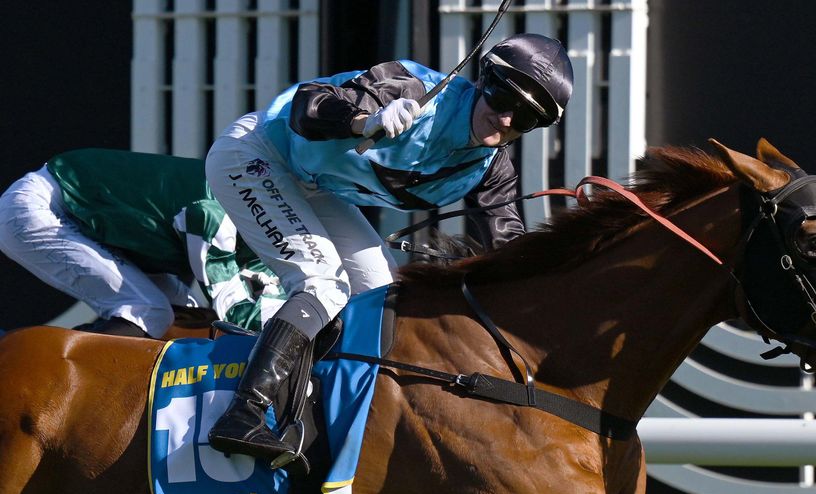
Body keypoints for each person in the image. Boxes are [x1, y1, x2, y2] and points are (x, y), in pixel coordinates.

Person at [204, 33, 573, 463]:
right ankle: (243, 414)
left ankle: (315, 409)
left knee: (380, 296)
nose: (506, 120)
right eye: (502, 97)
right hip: (256, 153)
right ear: (483, 79)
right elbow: (308, 104)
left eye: (526, 118)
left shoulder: (492, 169)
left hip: (314, 186)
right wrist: (363, 121)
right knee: (322, 284)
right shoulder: (413, 88)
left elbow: (511, 257)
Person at [0, 148, 287, 338]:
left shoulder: (257, 218)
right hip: (43, 208)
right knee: (150, 311)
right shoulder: (216, 214)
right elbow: (235, 312)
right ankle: (42, 384)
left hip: (82, 214)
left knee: (185, 315)